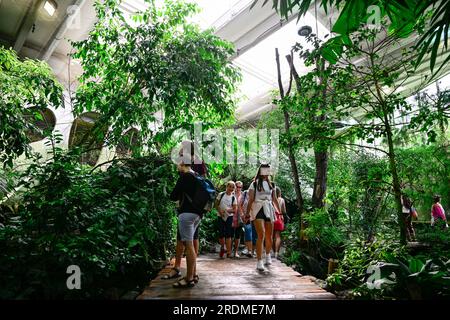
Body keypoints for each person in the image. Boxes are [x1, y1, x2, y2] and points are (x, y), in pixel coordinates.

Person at [169, 158, 202, 288]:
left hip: (186, 214)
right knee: (191, 245)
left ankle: (188, 278)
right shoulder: (197, 176)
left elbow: (173, 196)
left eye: (178, 163)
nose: (177, 166)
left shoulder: (184, 177)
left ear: (183, 164)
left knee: (189, 246)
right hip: (197, 215)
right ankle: (192, 275)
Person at [245, 164, 281, 271]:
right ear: (260, 171)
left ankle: (268, 254)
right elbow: (251, 199)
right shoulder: (254, 184)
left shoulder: (272, 185)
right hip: (258, 208)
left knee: (269, 235)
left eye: (268, 170)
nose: (267, 171)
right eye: (265, 170)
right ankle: (259, 260)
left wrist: (280, 213)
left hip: (269, 209)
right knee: (261, 234)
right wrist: (247, 213)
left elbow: (274, 199)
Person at [215, 181, 237, 258]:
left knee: (228, 234)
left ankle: (228, 251)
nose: (231, 188)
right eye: (230, 186)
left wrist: (227, 210)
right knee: (221, 233)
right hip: (220, 216)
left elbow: (235, 210)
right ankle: (222, 247)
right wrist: (220, 211)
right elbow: (216, 204)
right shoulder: (221, 194)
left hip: (229, 217)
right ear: (227, 186)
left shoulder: (233, 197)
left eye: (232, 187)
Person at [240, 185, 256, 258]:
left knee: (255, 234)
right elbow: (240, 205)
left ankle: (253, 250)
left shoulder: (258, 193)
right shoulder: (245, 193)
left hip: (256, 216)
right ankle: (249, 250)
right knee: (248, 231)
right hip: (247, 216)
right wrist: (242, 214)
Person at [232, 181, 245, 258]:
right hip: (231, 216)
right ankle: (229, 250)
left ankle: (236, 251)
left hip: (240, 217)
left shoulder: (243, 195)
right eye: (237, 186)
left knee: (238, 235)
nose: (238, 188)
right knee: (230, 234)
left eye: (240, 187)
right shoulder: (231, 194)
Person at [272, 187, 286, 259]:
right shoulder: (282, 200)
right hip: (279, 217)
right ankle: (277, 253)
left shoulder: (270, 200)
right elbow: (284, 211)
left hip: (271, 217)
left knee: (271, 236)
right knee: (277, 236)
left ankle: (273, 252)